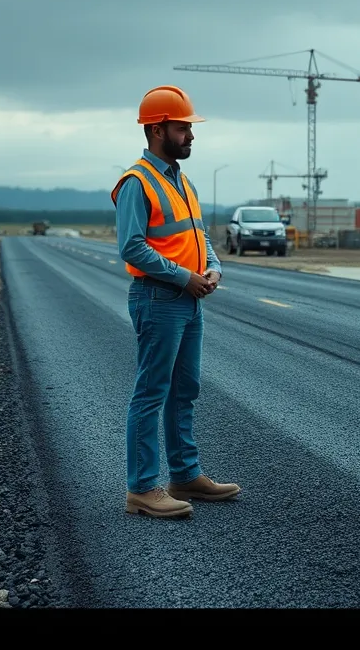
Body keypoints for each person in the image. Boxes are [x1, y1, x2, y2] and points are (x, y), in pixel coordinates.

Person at [111, 85, 240, 518]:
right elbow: (132, 247)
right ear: (156, 129)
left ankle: (185, 475)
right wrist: (184, 277)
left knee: (185, 390)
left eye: (189, 128)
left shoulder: (182, 181)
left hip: (188, 299)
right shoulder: (137, 183)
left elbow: (197, 234)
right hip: (158, 299)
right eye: (182, 128)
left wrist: (213, 267)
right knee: (151, 392)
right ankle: (142, 488)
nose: (190, 136)